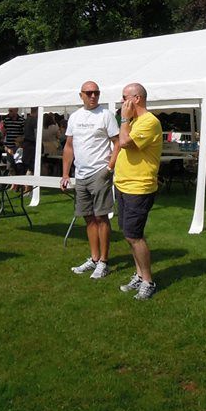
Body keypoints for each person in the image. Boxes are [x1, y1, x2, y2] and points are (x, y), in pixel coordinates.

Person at [61, 81, 120, 280]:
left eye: (96, 92)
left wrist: (109, 168)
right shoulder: (75, 117)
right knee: (88, 217)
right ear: (81, 95)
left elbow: (117, 143)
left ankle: (103, 261)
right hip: (80, 174)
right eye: (89, 93)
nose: (93, 96)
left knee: (101, 217)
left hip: (99, 173)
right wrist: (65, 174)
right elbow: (69, 146)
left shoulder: (106, 115)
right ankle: (94, 258)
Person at [114, 82, 163, 300]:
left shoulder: (149, 122)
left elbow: (124, 142)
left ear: (136, 99)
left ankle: (148, 281)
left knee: (135, 236)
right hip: (123, 184)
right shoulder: (134, 121)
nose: (122, 103)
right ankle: (139, 274)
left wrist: (124, 120)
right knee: (128, 235)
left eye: (125, 98)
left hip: (139, 187)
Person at [22, 107, 38, 173]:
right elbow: (36, 133)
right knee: (32, 165)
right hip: (31, 145)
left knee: (26, 164)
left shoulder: (26, 120)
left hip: (25, 144)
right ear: (37, 111)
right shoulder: (34, 120)